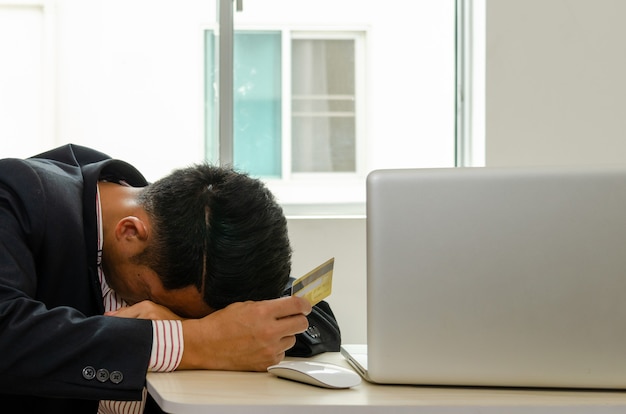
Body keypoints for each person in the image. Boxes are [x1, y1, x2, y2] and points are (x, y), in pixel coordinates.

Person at [0, 143, 312, 413]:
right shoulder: (16, 196)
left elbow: (313, 315)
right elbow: (8, 335)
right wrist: (194, 340)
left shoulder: (194, 235)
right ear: (130, 233)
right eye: (167, 306)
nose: (171, 317)